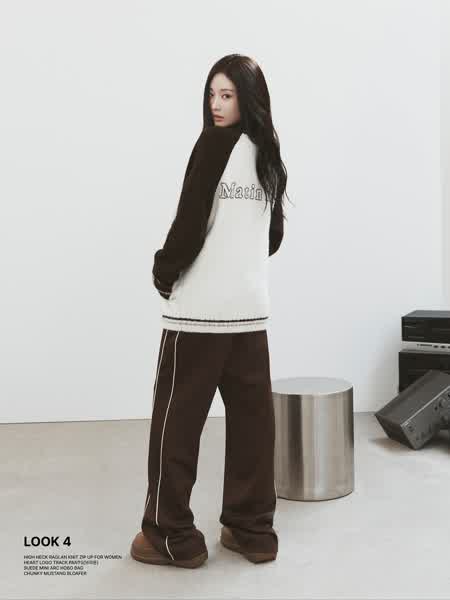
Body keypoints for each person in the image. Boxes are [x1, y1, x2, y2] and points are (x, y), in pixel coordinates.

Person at [130, 54, 290, 569]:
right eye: (212, 94)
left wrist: (164, 270)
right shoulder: (268, 154)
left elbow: (189, 223)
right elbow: (273, 236)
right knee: (252, 426)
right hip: (250, 313)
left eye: (228, 95)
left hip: (198, 316)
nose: (217, 105)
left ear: (248, 97)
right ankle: (252, 530)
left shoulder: (213, 146)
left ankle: (170, 534)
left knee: (176, 425)